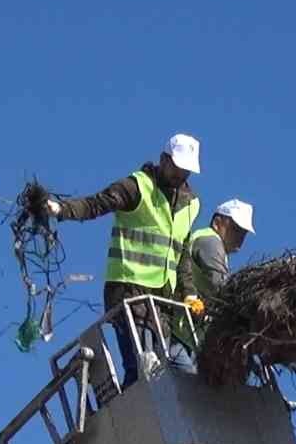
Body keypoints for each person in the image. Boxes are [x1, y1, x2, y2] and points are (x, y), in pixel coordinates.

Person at [46, 133, 201, 388]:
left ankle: (135, 407)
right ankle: (134, 414)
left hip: (162, 300)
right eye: (177, 167)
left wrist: (190, 294)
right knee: (143, 364)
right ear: (164, 159)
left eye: (186, 170)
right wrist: (62, 209)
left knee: (170, 370)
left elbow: (181, 255)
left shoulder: (191, 204)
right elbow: (96, 204)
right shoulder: (137, 186)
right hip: (128, 290)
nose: (180, 175)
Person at [168, 198, 255, 371]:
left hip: (191, 337)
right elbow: (221, 286)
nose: (240, 237)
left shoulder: (215, 245)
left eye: (244, 232)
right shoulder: (210, 242)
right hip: (180, 335)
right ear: (217, 222)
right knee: (193, 390)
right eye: (236, 229)